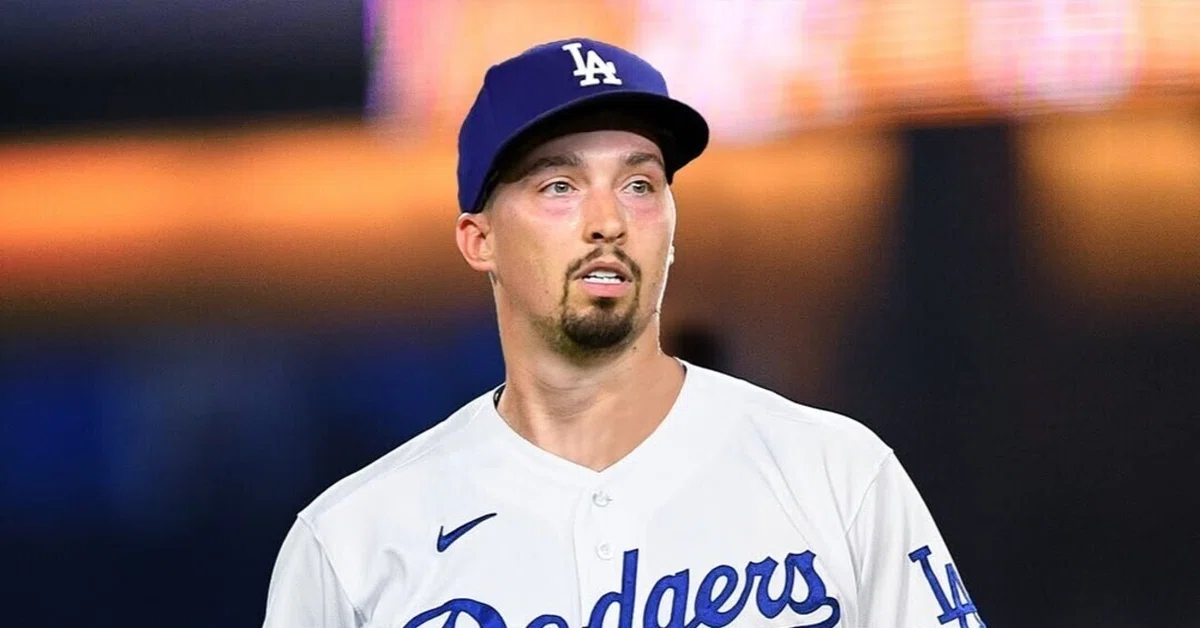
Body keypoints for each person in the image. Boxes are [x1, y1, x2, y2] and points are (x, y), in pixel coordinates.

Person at [261, 38, 985, 628]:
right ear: (479, 240)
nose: (608, 221)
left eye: (640, 185)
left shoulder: (837, 475)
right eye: (559, 186)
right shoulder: (352, 542)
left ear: (670, 227)